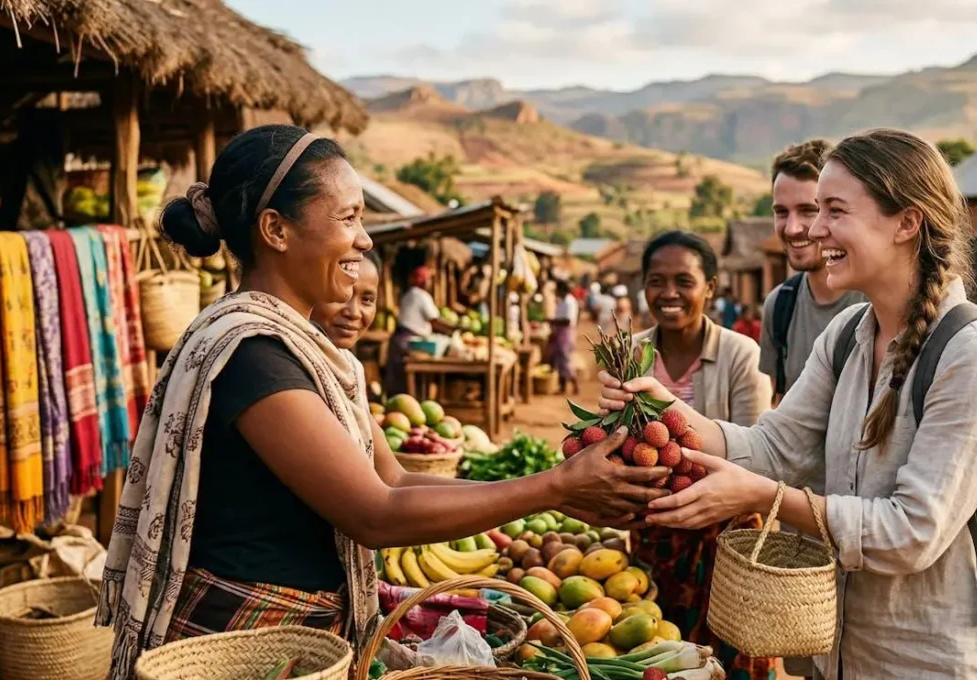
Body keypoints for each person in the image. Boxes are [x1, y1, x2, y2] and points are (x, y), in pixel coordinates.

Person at [96, 125, 669, 680]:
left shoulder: (308, 352)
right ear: (275, 229)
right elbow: (375, 513)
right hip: (247, 648)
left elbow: (393, 479)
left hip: (300, 638)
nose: (365, 240)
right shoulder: (253, 356)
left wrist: (554, 489)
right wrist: (554, 488)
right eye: (348, 218)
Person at [599, 130, 977, 679]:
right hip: (844, 652)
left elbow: (912, 533)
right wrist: (665, 409)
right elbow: (774, 446)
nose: (813, 228)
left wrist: (766, 496)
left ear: (906, 223)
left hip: (937, 660)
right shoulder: (849, 334)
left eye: (835, 210)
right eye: (814, 209)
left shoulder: (973, 352)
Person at [630, 231, 774, 680]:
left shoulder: (741, 354)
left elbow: (755, 451)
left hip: (727, 532)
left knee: (737, 651)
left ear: (710, 287)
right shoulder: (631, 353)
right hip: (655, 531)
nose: (669, 294)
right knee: (659, 652)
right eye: (656, 281)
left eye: (684, 281)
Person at [761, 139, 867, 397]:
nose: (792, 228)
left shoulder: (877, 302)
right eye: (781, 212)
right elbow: (780, 406)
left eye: (808, 210)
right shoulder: (780, 306)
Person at [382, 264, 451, 396]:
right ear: (424, 281)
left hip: (398, 340)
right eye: (428, 279)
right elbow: (434, 320)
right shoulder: (421, 296)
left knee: (397, 381)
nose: (430, 283)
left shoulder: (408, 295)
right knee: (408, 384)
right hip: (410, 342)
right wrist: (453, 328)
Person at [313, 250, 382, 349]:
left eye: (366, 300)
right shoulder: (290, 355)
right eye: (340, 295)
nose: (354, 313)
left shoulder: (346, 359)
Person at [548, 277, 581, 395]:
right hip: (560, 332)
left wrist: (553, 321)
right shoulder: (562, 301)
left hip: (566, 333)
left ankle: (575, 384)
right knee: (559, 360)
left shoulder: (569, 302)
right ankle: (562, 387)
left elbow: (568, 320)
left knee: (565, 360)